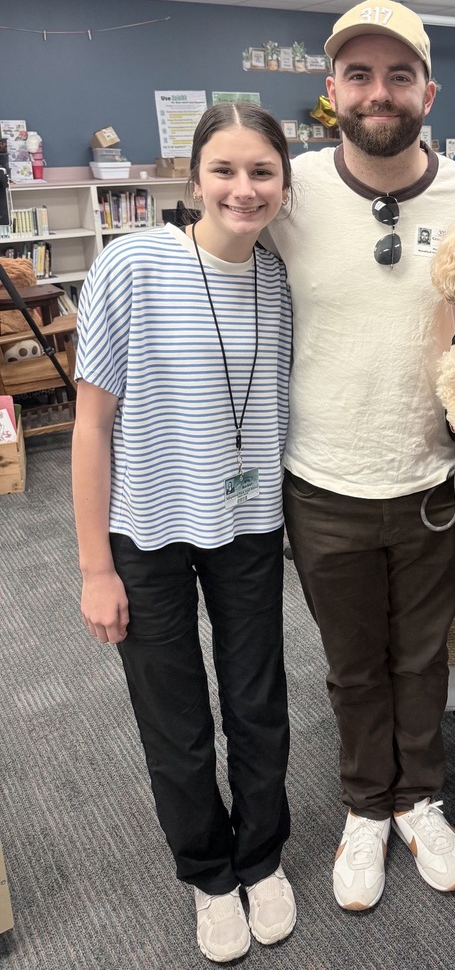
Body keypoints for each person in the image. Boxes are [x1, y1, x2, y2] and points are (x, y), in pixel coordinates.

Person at [265, 0, 455, 912]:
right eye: (358, 75)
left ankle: (420, 799)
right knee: (353, 662)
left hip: (431, 478)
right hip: (322, 480)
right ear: (331, 92)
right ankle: (367, 806)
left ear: (427, 90)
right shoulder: (291, 190)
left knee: (421, 659)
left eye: (398, 75)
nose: (378, 91)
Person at [72, 102, 296, 964]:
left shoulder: (276, 279)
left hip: (246, 524)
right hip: (149, 529)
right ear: (193, 177)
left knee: (257, 704)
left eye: (262, 172)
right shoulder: (130, 264)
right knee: (175, 717)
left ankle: (262, 857)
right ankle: (208, 875)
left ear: (283, 182)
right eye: (225, 171)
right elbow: (91, 429)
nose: (244, 189)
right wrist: (96, 568)